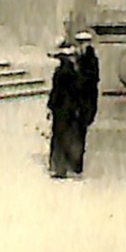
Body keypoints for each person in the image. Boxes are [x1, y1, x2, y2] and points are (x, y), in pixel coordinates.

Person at [46, 39, 86, 179]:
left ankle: (59, 167)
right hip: (70, 109)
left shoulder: (60, 73)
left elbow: (55, 92)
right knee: (69, 136)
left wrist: (50, 106)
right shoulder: (75, 73)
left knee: (59, 137)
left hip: (60, 109)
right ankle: (69, 165)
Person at [76, 30, 100, 165]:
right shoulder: (79, 56)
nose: (80, 45)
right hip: (79, 98)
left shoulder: (91, 58)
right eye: (79, 43)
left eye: (83, 43)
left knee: (83, 127)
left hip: (87, 97)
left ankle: (80, 160)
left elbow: (92, 78)